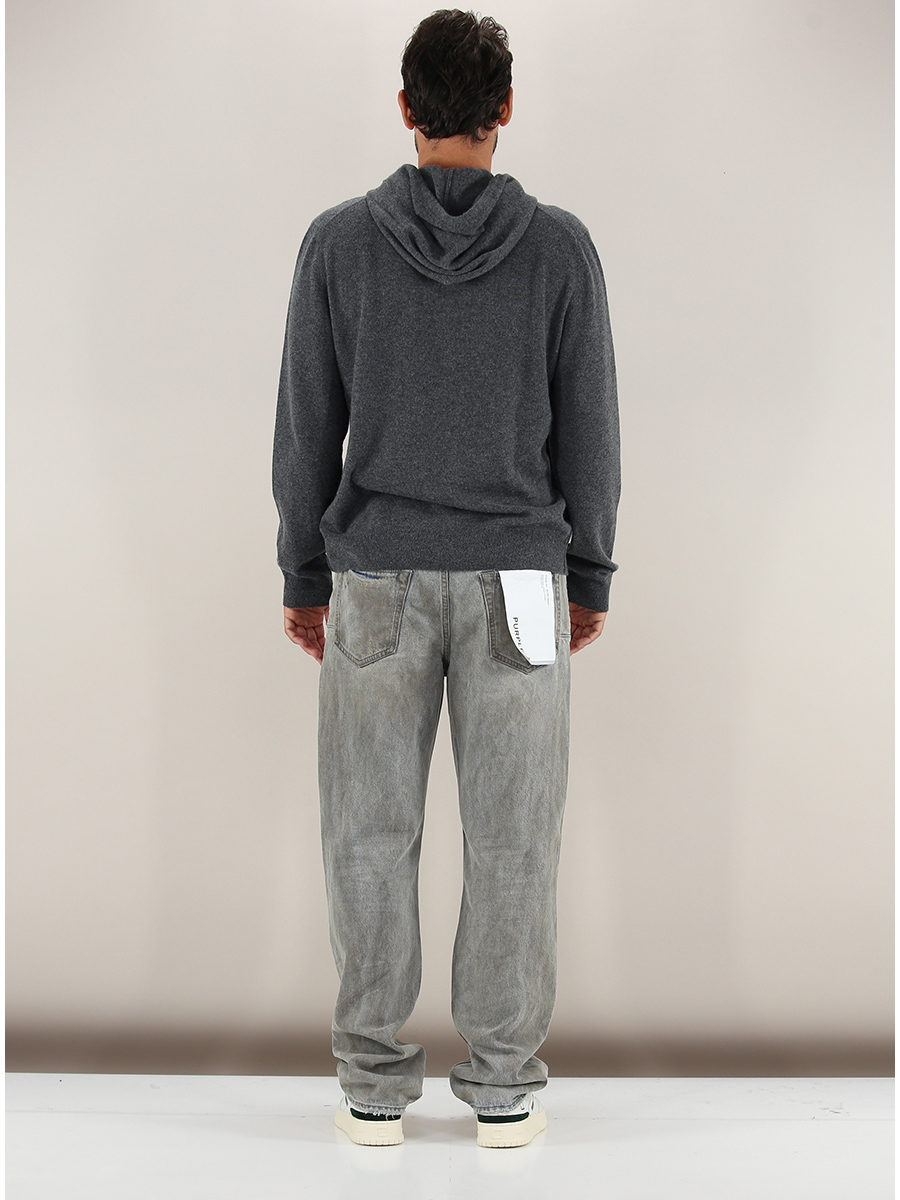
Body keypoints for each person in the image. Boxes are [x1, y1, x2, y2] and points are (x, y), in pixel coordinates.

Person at [271, 8, 620, 1149]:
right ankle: (506, 1084)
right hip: (520, 579)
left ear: (405, 108)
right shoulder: (560, 249)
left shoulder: (337, 244)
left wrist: (304, 570)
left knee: (367, 835)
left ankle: (373, 1086)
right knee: (515, 840)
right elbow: (592, 426)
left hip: (373, 577)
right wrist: (589, 569)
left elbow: (306, 426)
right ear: (505, 109)